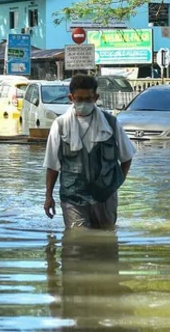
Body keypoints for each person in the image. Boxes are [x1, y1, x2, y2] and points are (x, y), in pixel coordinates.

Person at [43, 74, 136, 229]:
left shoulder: (111, 124)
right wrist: (48, 197)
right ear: (71, 98)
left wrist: (115, 184)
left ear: (96, 97)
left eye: (88, 99)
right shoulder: (60, 125)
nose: (84, 103)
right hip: (72, 197)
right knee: (77, 241)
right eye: (79, 99)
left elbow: (127, 157)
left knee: (107, 241)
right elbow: (52, 166)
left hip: (105, 196)